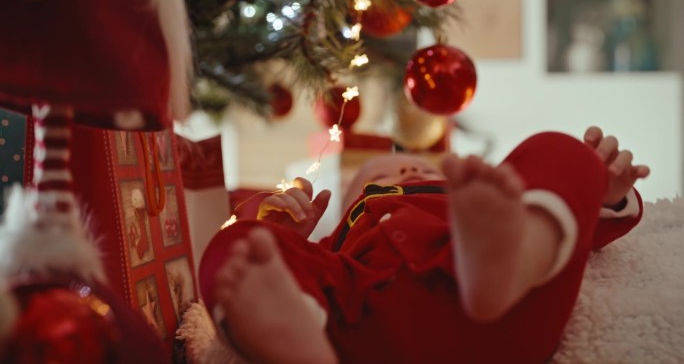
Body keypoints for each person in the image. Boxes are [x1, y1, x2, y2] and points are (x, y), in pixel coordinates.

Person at [198, 126, 650, 364]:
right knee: (238, 244)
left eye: (419, 169)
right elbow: (293, 256)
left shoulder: (483, 208)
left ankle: (510, 265)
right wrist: (284, 238)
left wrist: (601, 191)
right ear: (354, 201)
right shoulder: (338, 246)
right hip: (365, 325)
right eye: (381, 177)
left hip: (503, 317)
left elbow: (580, 230)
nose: (406, 176)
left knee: (560, 147)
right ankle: (297, 342)